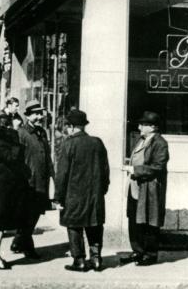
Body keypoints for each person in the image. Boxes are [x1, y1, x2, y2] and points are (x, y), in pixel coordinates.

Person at [55, 110, 110, 272]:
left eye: (67, 126)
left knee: (74, 226)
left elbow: (62, 174)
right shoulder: (97, 142)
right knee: (95, 224)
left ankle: (79, 260)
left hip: (74, 194)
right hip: (95, 194)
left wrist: (58, 197)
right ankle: (96, 258)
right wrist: (102, 189)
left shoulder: (68, 144)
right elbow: (105, 170)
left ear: (71, 127)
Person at [120, 111, 169, 267]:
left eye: (144, 124)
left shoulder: (160, 143)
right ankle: (138, 251)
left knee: (149, 220)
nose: (139, 126)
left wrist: (135, 170)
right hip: (136, 187)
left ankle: (150, 254)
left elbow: (158, 166)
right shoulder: (141, 140)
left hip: (150, 188)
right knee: (134, 219)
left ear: (153, 127)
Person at [0, 114, 30, 270]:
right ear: (5, 127)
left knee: (1, 221)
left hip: (3, 186)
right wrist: (17, 137)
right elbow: (12, 158)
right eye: (11, 126)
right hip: (1, 187)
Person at [13, 99, 54, 258]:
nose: (39, 117)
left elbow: (48, 156)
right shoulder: (21, 133)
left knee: (35, 212)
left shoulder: (42, 132)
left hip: (41, 180)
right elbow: (17, 159)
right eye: (35, 114)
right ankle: (27, 247)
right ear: (28, 116)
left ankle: (18, 241)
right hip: (28, 182)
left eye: (40, 114)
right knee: (28, 214)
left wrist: (53, 176)